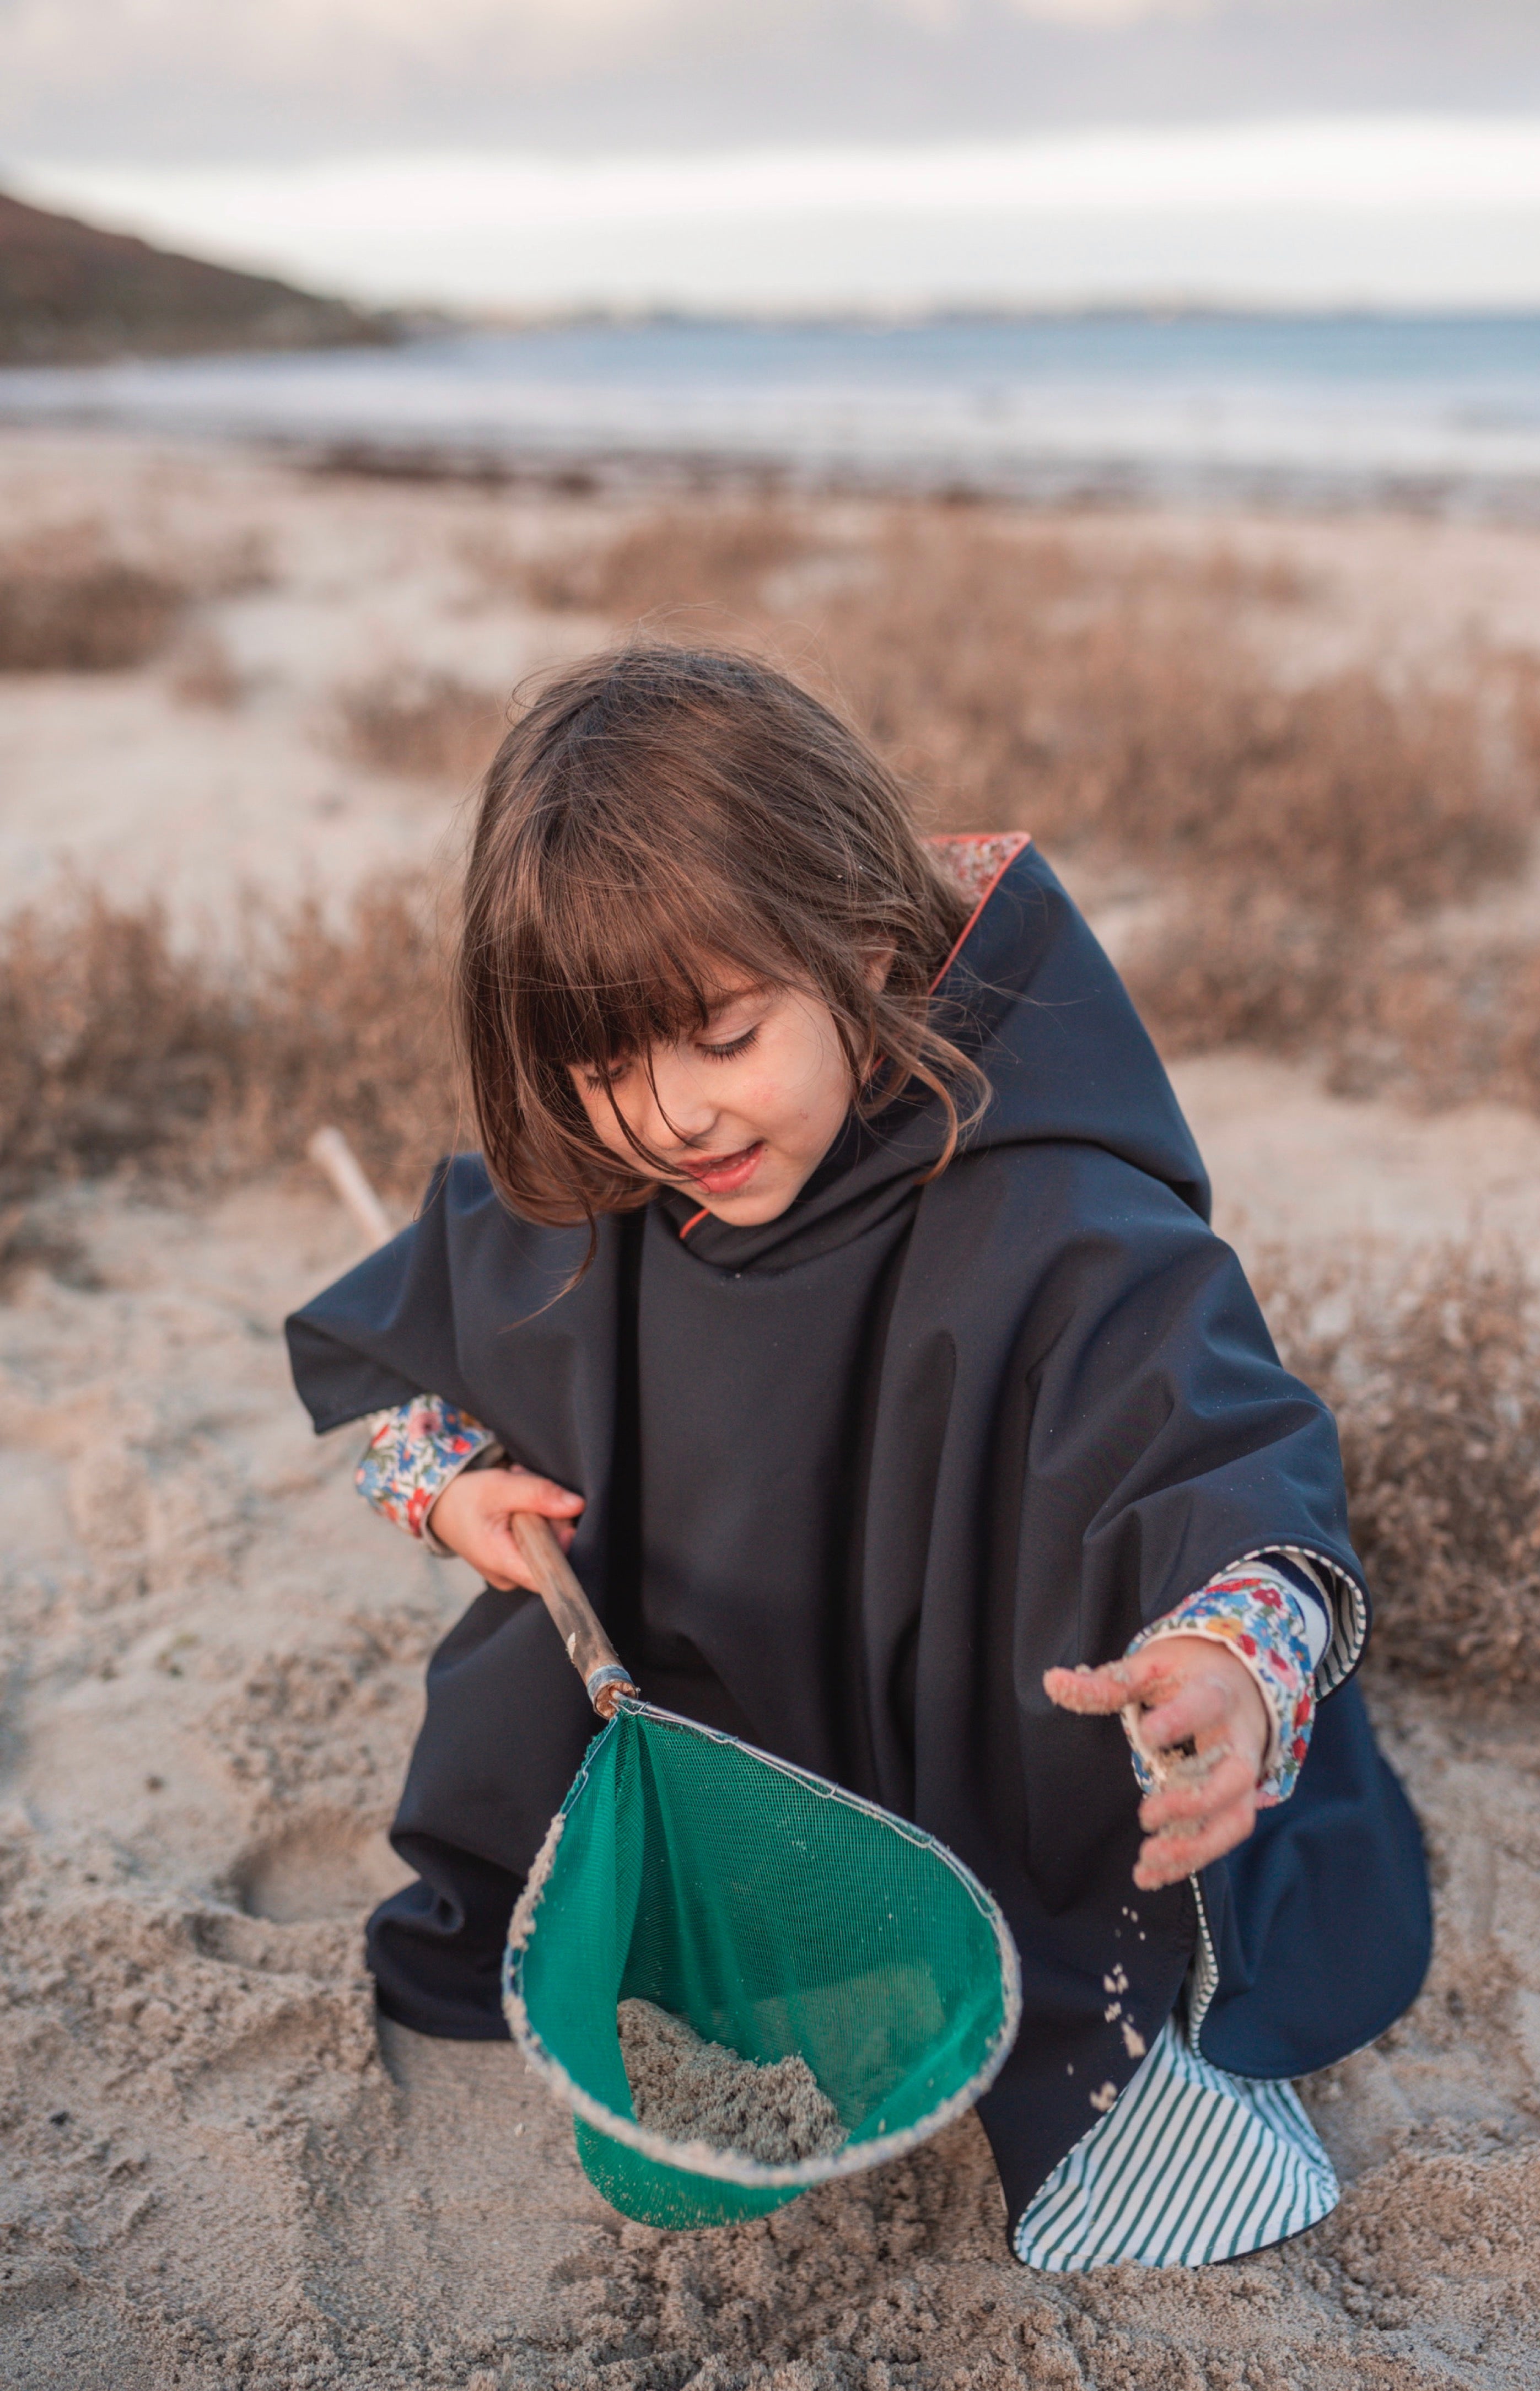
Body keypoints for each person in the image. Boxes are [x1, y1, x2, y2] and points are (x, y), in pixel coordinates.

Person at [287, 643, 1430, 2270]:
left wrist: (1228, 1662)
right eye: (608, 1065)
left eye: (722, 1033)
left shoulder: (1046, 1208)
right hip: (701, 1707)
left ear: (868, 949)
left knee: (1104, 1988)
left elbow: (1222, 1446)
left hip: (961, 1717)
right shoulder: (598, 1191)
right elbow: (409, 1389)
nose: (671, 1113)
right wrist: (457, 1495)